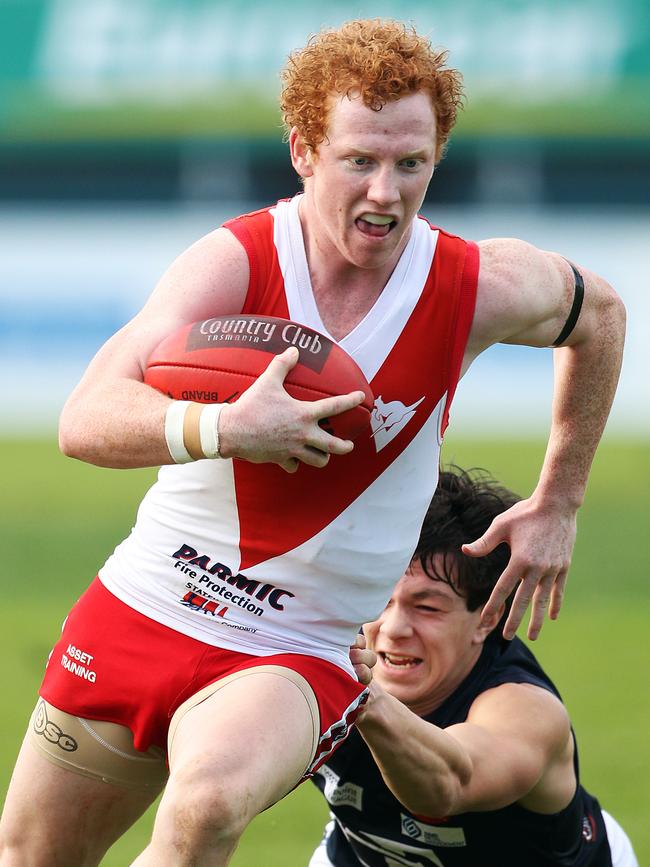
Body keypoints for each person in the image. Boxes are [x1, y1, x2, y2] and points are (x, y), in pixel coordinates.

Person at [0, 18, 625, 867]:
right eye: (359, 161)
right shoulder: (235, 261)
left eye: (412, 163)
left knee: (208, 801)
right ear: (303, 150)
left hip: (297, 643)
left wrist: (560, 501)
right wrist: (225, 427)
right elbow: (86, 419)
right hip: (146, 597)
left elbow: (603, 317)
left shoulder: (475, 284)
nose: (386, 193)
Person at [310, 467, 638, 867]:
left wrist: (363, 696)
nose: (392, 629)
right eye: (380, 598)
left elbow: (449, 784)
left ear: (487, 618)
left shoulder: (526, 710)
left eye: (427, 607)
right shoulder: (321, 651)